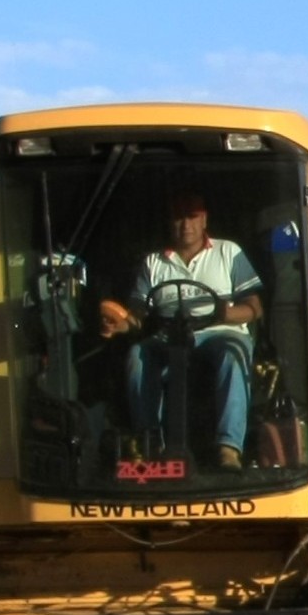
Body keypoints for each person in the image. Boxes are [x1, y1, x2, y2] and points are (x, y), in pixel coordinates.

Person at [97, 191, 261, 469]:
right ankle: (150, 444)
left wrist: (225, 313)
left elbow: (255, 308)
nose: (186, 225)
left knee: (233, 353)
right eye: (179, 218)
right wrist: (119, 324)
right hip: (168, 334)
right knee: (138, 355)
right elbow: (137, 316)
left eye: (192, 217)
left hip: (220, 331)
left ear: (204, 219)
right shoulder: (153, 263)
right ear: (169, 223)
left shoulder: (228, 252)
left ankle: (228, 449)